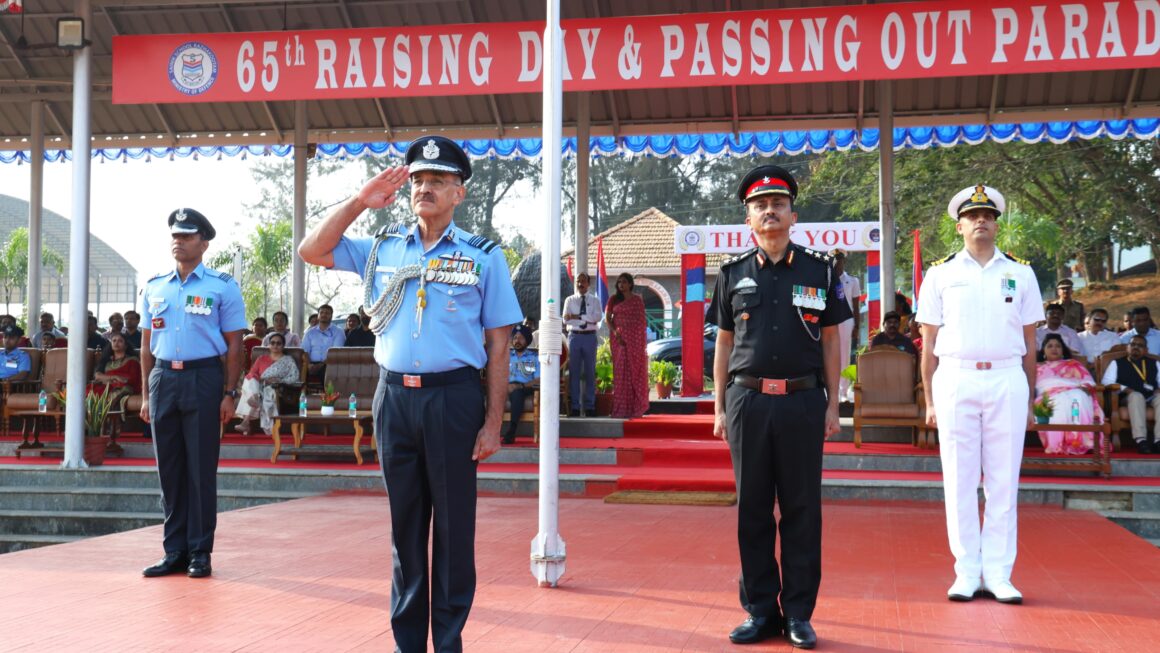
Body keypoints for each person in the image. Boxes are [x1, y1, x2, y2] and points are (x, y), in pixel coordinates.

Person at [297, 135, 522, 653]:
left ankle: (447, 642)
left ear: (458, 193)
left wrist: (492, 422)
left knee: (452, 532)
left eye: (437, 181)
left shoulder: (483, 257)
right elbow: (313, 250)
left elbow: (499, 344)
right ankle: (407, 644)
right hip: (395, 399)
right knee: (405, 529)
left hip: (453, 399)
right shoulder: (382, 248)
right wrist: (358, 201)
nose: (425, 188)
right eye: (418, 180)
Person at [709, 164, 849, 649]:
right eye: (759, 206)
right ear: (748, 218)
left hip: (803, 401)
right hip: (747, 401)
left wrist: (834, 404)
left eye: (777, 204)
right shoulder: (732, 274)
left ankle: (799, 615)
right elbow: (724, 344)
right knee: (751, 509)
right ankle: (760, 610)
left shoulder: (820, 270)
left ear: (793, 213)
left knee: (802, 509)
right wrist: (719, 406)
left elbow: (831, 340)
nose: (769, 211)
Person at [916, 184, 1043, 606]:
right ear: (959, 226)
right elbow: (928, 344)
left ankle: (1000, 574)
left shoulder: (1021, 273)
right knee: (960, 480)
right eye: (973, 216)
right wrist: (930, 401)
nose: (981, 220)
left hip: (1007, 377)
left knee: (1004, 481)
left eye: (988, 214)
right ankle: (967, 571)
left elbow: (1030, 343)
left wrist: (1029, 402)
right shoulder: (940, 273)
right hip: (956, 377)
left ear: (997, 222)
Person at [138, 208, 246, 580]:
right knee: (169, 470)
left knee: (200, 469)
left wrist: (230, 392)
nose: (178, 241)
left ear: (204, 242)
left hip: (203, 379)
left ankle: (200, 551)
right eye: (175, 235)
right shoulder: (154, 286)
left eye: (186, 235)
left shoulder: (222, 286)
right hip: (164, 378)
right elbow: (146, 344)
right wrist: (147, 394)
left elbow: (235, 345)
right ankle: (174, 550)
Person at [1034, 334, 1103, 455]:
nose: (1054, 349)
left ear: (1063, 350)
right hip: (1048, 396)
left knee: (1079, 397)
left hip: (1074, 392)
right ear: (1043, 351)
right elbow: (1032, 386)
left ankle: (1083, 441)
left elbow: (1088, 382)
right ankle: (1060, 443)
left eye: (1058, 346)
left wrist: (1085, 388)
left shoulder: (1073, 364)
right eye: (1050, 346)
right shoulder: (1037, 367)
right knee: (1062, 400)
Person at [233, 332, 300, 436]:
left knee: (255, 388)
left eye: (278, 343)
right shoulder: (261, 359)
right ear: (269, 345)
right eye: (272, 343)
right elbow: (252, 373)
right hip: (258, 385)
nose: (275, 345)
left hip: (276, 388)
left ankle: (246, 420)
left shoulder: (288, 360)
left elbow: (294, 377)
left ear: (283, 345)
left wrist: (278, 380)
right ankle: (256, 397)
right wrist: (261, 380)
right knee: (250, 380)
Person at [1101, 334, 1160, 454]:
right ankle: (1141, 440)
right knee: (1136, 396)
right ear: (1127, 347)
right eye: (1133, 344)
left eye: (1140, 345)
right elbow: (1106, 382)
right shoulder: (1117, 363)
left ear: (1146, 350)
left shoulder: (1155, 363)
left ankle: (1158, 441)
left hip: (1150, 396)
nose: (1136, 347)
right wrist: (1126, 389)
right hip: (1128, 397)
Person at [605, 272, 650, 420]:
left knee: (633, 373)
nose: (621, 285)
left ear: (630, 284)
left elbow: (641, 322)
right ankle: (620, 408)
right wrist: (616, 333)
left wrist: (635, 339)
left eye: (624, 282)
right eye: (619, 282)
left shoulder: (637, 301)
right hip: (618, 341)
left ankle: (635, 408)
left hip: (634, 342)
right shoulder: (613, 299)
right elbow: (608, 319)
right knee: (621, 373)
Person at [562, 271, 602, 417]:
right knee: (574, 373)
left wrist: (577, 316)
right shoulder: (569, 300)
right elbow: (566, 320)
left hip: (590, 337)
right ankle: (575, 407)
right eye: (578, 281)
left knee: (590, 372)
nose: (580, 284)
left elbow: (597, 317)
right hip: (575, 337)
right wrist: (585, 318)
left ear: (588, 284)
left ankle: (590, 406)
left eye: (583, 281)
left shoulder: (595, 300)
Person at [830, 249, 861, 401]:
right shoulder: (827, 279)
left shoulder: (853, 281)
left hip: (846, 321)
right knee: (829, 355)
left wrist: (857, 327)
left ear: (844, 261)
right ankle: (830, 390)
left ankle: (842, 391)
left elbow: (856, 306)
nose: (837, 262)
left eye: (840, 259)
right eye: (834, 259)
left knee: (844, 356)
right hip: (829, 321)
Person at [504, 324, 539, 444]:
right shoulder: (505, 356)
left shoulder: (534, 357)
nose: (517, 341)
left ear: (527, 340)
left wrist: (521, 386)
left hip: (525, 387)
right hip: (505, 387)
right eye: (515, 338)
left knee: (517, 392)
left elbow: (538, 379)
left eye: (520, 338)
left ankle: (512, 431)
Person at [301, 304, 345, 379]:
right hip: (311, 364)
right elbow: (305, 351)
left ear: (331, 316)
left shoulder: (338, 332)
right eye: (321, 313)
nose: (324, 315)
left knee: (325, 372)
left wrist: (320, 366)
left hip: (330, 364)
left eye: (327, 313)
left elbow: (335, 353)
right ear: (318, 315)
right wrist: (309, 365)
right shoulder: (310, 333)